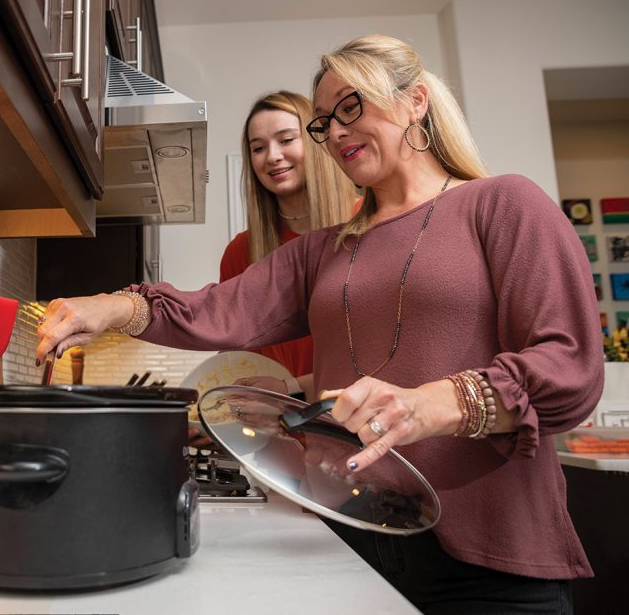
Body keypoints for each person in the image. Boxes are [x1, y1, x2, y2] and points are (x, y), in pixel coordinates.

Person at [36, 35, 603, 613]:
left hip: (487, 562)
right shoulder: (324, 251)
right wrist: (113, 307)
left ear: (416, 101)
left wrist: (432, 404)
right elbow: (220, 309)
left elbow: (570, 367)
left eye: (350, 108)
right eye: (324, 123)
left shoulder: (504, 205)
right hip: (357, 539)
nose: (333, 133)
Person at [221, 91, 358, 396]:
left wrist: (289, 389)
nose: (272, 156)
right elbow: (240, 355)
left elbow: (384, 356)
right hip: (277, 429)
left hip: (357, 423)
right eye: (258, 148)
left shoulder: (367, 223)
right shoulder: (241, 252)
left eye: (286, 140)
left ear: (315, 142)